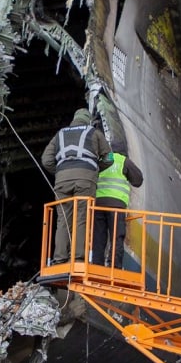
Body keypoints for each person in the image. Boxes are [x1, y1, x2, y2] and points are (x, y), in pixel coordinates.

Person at [42, 108, 112, 262]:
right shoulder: (94, 133)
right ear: (88, 120)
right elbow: (110, 157)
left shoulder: (59, 134)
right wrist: (94, 170)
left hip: (62, 182)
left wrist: (60, 172)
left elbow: (46, 160)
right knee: (82, 217)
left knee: (63, 219)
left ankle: (59, 258)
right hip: (85, 180)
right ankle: (78, 257)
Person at [91, 139, 144, 267]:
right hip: (116, 207)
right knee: (117, 237)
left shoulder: (103, 160)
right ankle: (114, 265)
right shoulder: (123, 161)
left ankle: (97, 265)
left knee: (98, 236)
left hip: (98, 204)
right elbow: (138, 180)